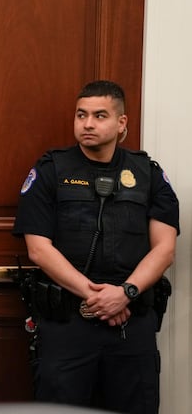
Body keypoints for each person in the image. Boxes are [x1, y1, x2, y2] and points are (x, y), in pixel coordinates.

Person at [13, 80, 179, 413]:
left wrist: (124, 293)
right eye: (81, 115)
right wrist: (100, 298)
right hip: (67, 323)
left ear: (122, 124)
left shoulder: (148, 174)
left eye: (100, 115)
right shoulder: (49, 171)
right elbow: (38, 249)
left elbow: (164, 249)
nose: (87, 124)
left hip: (131, 323)